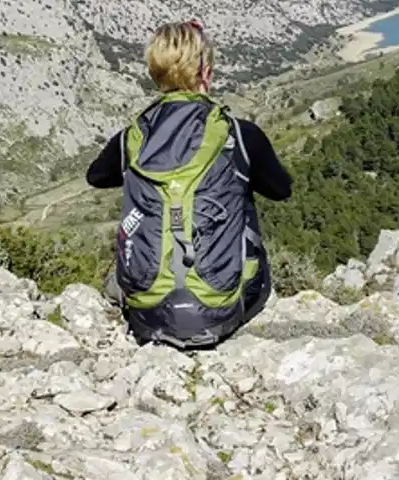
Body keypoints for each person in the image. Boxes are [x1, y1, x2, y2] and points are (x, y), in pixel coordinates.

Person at [85, 19, 292, 349]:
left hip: (145, 315)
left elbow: (95, 176)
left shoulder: (132, 137)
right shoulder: (238, 134)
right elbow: (282, 189)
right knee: (243, 194)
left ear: (156, 74)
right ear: (205, 72)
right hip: (221, 312)